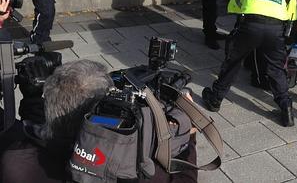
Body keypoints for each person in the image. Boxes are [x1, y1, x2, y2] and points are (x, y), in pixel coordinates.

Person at [0, 60, 198, 182]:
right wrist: (186, 140)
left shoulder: (14, 162)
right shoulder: (138, 171)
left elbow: (43, 135)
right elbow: (185, 179)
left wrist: (33, 98)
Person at [202, 0, 297, 127]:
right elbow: (291, 21)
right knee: (276, 69)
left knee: (233, 62)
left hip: (251, 24)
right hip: (275, 28)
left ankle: (215, 99)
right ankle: (286, 107)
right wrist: (284, 44)